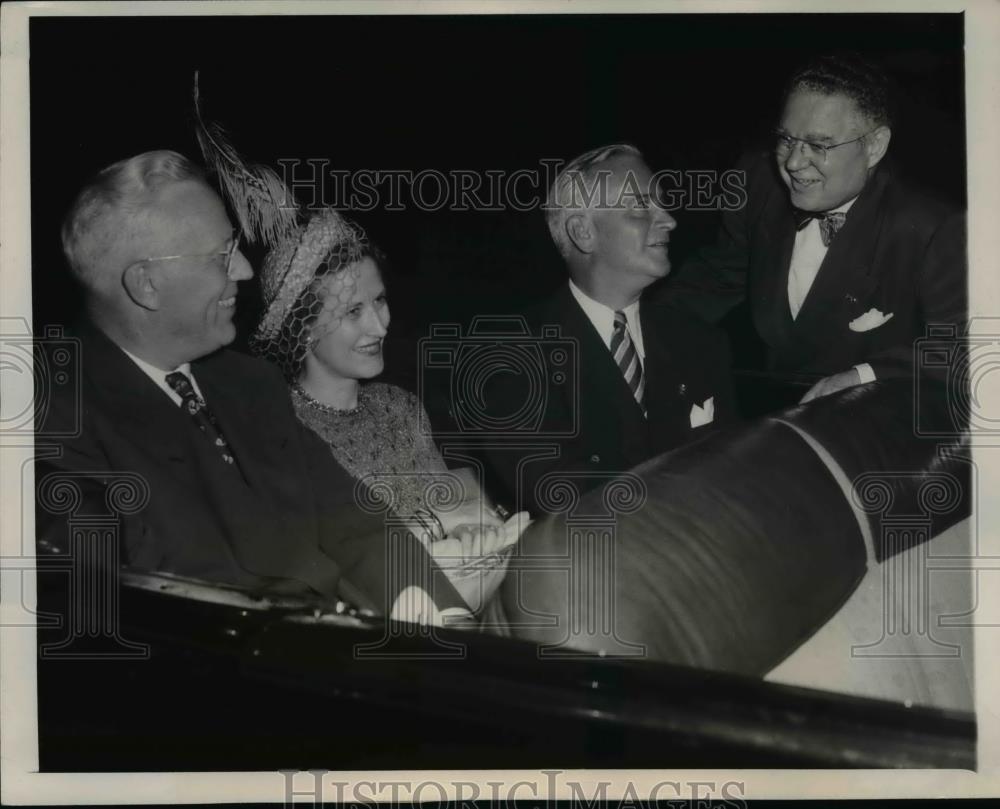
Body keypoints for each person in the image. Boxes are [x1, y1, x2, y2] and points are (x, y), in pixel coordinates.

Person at [37, 150, 472, 625]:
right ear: (147, 284)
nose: (244, 270)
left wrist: (449, 619)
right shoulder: (52, 422)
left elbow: (355, 526)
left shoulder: (249, 383)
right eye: (222, 255)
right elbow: (150, 612)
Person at [250, 208, 526, 608]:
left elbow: (460, 509)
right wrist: (438, 527)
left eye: (379, 300)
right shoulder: (283, 431)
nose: (380, 326)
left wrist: (470, 532)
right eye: (353, 311)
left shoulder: (398, 406)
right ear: (301, 328)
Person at [661, 53, 966, 402]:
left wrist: (863, 376)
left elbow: (963, 347)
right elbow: (717, 277)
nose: (793, 163)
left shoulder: (934, 227)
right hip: (776, 409)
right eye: (786, 139)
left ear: (874, 147)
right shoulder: (758, 182)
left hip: (880, 417)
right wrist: (633, 326)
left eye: (818, 145)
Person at [483, 144, 738, 515]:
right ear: (583, 232)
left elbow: (735, 473)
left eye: (662, 204)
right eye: (641, 206)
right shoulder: (511, 358)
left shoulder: (702, 342)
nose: (669, 220)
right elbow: (568, 499)